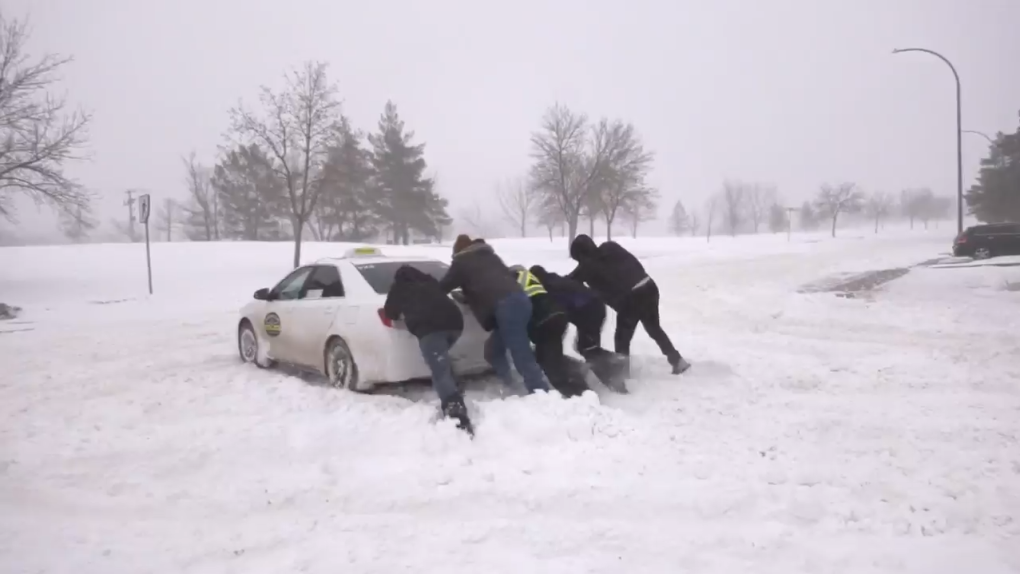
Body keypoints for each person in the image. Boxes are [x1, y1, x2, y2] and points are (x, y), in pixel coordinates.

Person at [567, 234, 691, 376]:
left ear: (582, 254)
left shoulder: (587, 267)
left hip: (632, 297)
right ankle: (677, 361)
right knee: (654, 328)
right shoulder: (610, 247)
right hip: (648, 286)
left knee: (622, 339)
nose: (579, 262)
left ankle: (622, 375)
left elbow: (572, 279)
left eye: (578, 258)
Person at [439, 235, 549, 394]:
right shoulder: (490, 256)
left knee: (520, 351)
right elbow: (489, 281)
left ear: (457, 251)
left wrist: (426, 291)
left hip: (506, 306)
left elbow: (443, 286)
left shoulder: (461, 261)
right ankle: (513, 384)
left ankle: (540, 391)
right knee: (493, 352)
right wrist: (469, 296)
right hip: (520, 300)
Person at [384, 264, 472, 434]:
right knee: (441, 360)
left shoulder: (400, 288)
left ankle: (455, 409)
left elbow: (390, 312)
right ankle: (454, 386)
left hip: (431, 329)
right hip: (455, 324)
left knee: (439, 370)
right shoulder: (431, 282)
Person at [528, 264, 628, 392]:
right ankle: (609, 374)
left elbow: (557, 313)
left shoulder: (548, 288)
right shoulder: (555, 279)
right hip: (594, 306)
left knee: (587, 349)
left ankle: (613, 373)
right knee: (586, 348)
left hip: (589, 311)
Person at [505, 265, 590, 398]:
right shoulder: (528, 277)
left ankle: (577, 394)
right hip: (558, 316)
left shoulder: (513, 280)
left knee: (550, 364)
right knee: (549, 357)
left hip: (545, 321)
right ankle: (578, 378)